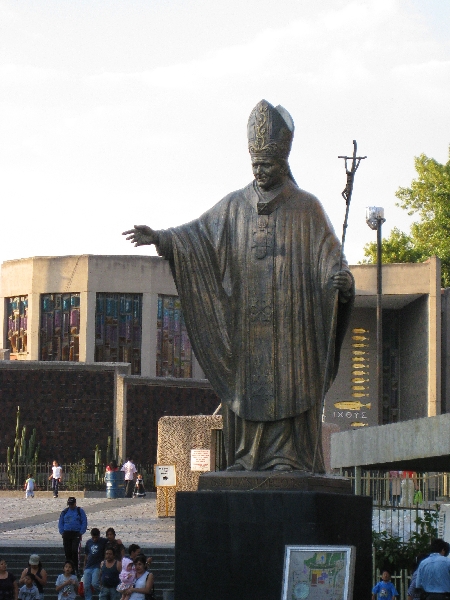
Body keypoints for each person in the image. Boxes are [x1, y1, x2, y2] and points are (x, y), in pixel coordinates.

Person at [123, 99, 354, 472]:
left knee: (287, 388)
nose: (260, 171)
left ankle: (287, 459)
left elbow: (330, 259)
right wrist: (162, 238)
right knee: (247, 390)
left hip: (290, 330)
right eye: (256, 164)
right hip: (248, 327)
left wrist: (340, 283)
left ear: (283, 163)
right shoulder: (233, 206)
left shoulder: (307, 207)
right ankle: (245, 459)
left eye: (267, 164)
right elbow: (197, 236)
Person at [58, 497, 88, 573]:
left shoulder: (79, 511)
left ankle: (75, 569)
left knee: (75, 550)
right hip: (67, 533)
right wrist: (62, 532)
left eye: (72, 504)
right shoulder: (65, 511)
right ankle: (68, 569)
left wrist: (81, 532)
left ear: (75, 503)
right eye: (69, 504)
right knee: (67, 552)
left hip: (76, 533)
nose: (71, 506)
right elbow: (61, 522)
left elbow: (84, 521)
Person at [83, 528, 108, 600]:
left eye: (96, 537)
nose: (94, 539)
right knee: (86, 585)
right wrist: (84, 565)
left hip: (97, 566)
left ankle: (103, 594)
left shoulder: (103, 541)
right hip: (88, 566)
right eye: (93, 537)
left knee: (95, 583)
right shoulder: (88, 542)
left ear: (99, 536)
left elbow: (110, 540)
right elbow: (86, 554)